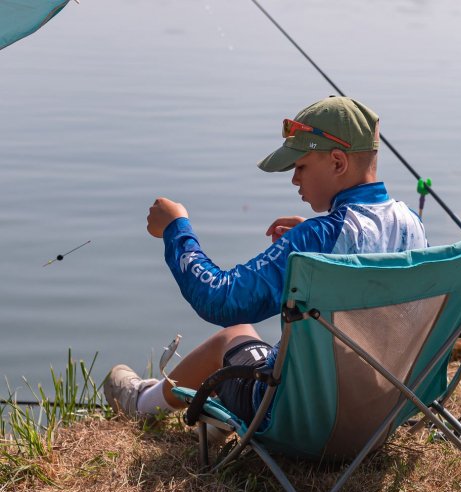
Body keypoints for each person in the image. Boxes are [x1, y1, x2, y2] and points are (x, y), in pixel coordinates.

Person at [103, 96, 428, 424]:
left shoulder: (316, 238)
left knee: (236, 333)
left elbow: (222, 299)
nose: (294, 179)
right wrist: (314, 243)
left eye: (301, 166)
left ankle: (142, 403)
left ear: (338, 163)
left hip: (299, 418)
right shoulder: (410, 222)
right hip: (383, 411)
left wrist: (176, 229)